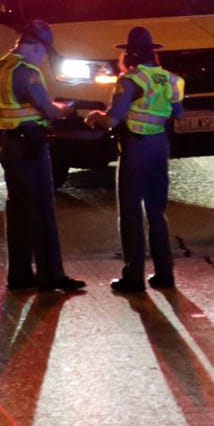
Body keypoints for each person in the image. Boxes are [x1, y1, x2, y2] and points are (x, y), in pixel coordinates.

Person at [0, 20, 85, 292]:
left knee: (17, 208)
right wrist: (66, 108)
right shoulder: (26, 71)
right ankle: (51, 274)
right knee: (42, 207)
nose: (43, 58)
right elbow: (47, 110)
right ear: (35, 46)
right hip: (29, 144)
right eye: (44, 51)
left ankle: (18, 274)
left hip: (7, 143)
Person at [87, 27, 184, 293]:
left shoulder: (129, 80)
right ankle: (165, 273)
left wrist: (95, 117)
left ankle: (133, 275)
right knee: (157, 213)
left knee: (130, 213)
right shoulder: (171, 79)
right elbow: (178, 113)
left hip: (135, 149)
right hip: (159, 147)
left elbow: (113, 120)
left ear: (128, 55)